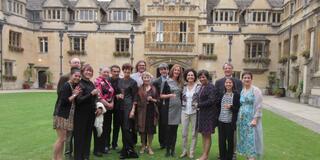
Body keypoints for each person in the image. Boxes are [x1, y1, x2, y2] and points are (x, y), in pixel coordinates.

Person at [73, 64, 102, 160]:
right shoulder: (79, 84)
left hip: (91, 114)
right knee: (79, 136)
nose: (88, 72)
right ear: (82, 72)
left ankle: (86, 156)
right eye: (87, 70)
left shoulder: (91, 83)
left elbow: (95, 98)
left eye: (90, 71)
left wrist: (98, 107)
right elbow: (79, 100)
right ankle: (78, 157)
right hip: (81, 115)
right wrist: (91, 94)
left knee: (88, 135)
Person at [215, 63, 242, 160]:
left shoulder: (238, 82)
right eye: (226, 68)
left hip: (231, 119)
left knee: (231, 139)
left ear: (232, 69)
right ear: (223, 69)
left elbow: (238, 103)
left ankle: (232, 155)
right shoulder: (218, 82)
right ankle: (222, 155)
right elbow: (216, 99)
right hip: (221, 118)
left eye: (229, 68)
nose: (227, 69)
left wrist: (232, 107)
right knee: (221, 139)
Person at [53, 68, 81, 160]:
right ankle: (54, 158)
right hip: (61, 116)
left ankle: (59, 158)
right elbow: (64, 101)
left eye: (79, 76)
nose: (77, 77)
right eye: (75, 76)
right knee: (61, 139)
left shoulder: (72, 85)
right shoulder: (66, 85)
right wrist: (75, 94)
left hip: (67, 116)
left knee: (63, 139)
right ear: (71, 75)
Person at [237, 72, 263, 160]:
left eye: (248, 78)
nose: (246, 79)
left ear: (251, 79)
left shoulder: (256, 90)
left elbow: (259, 106)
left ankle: (252, 157)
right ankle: (248, 156)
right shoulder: (243, 90)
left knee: (252, 138)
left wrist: (255, 119)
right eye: (245, 78)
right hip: (242, 119)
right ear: (242, 79)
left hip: (251, 117)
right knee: (244, 137)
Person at [161, 64, 183, 157]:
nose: (177, 72)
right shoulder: (166, 82)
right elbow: (161, 95)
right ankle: (167, 150)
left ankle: (173, 150)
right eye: (175, 70)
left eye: (178, 70)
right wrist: (169, 95)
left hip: (178, 108)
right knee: (168, 130)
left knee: (175, 130)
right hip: (169, 108)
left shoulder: (181, 83)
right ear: (172, 71)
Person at [117, 63, 139, 159]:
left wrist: (133, 110)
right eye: (125, 69)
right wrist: (117, 95)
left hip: (128, 107)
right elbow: (117, 93)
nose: (127, 71)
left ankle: (128, 151)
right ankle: (127, 149)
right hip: (120, 107)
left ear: (131, 71)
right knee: (123, 129)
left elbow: (135, 97)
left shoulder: (133, 82)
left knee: (126, 129)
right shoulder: (120, 81)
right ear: (123, 70)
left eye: (129, 70)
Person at [135, 72, 159, 155]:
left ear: (150, 78)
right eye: (145, 77)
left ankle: (149, 147)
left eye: (148, 77)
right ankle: (142, 146)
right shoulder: (139, 88)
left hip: (151, 111)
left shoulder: (154, 89)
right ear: (142, 79)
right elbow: (136, 100)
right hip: (141, 112)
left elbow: (158, 100)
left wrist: (152, 99)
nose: (146, 79)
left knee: (150, 130)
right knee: (142, 130)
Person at [93, 66, 114, 157]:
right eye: (104, 72)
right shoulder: (97, 81)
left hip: (108, 109)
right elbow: (99, 96)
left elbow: (112, 93)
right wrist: (108, 104)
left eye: (107, 72)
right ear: (100, 72)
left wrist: (112, 103)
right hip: (101, 108)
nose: (106, 73)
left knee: (106, 128)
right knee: (99, 128)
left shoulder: (108, 82)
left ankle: (104, 147)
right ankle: (97, 149)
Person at [197, 70, 217, 160]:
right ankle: (204, 154)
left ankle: (205, 155)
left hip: (209, 114)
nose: (201, 79)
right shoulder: (202, 86)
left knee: (207, 134)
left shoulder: (211, 87)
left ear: (207, 77)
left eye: (203, 77)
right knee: (203, 134)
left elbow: (211, 100)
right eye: (200, 77)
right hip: (202, 113)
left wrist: (198, 105)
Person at [180, 69, 200, 159]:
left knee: (194, 134)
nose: (190, 77)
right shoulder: (183, 86)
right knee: (184, 133)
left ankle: (191, 152)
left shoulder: (198, 87)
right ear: (186, 77)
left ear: (194, 77)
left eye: (192, 75)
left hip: (195, 112)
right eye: (188, 75)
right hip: (184, 111)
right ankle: (184, 151)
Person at [152, 63, 169, 149]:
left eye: (165, 69)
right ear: (159, 71)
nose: (163, 71)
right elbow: (155, 94)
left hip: (170, 105)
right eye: (161, 69)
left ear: (168, 70)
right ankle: (162, 143)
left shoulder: (172, 80)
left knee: (169, 124)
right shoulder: (156, 82)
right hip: (160, 105)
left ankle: (169, 142)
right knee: (162, 124)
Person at [108, 65, 122, 150]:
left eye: (118, 71)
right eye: (114, 71)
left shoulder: (121, 81)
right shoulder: (107, 81)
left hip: (118, 106)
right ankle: (106, 144)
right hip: (108, 105)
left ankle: (114, 144)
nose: (116, 73)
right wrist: (115, 96)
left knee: (117, 126)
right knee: (107, 126)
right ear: (111, 72)